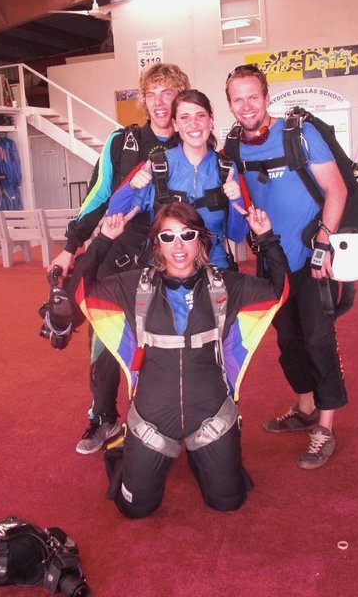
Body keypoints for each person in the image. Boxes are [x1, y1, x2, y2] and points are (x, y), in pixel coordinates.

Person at [74, 201, 288, 518]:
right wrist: (103, 240)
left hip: (211, 414)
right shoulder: (134, 286)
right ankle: (126, 455)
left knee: (228, 501)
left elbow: (279, 289)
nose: (178, 246)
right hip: (152, 418)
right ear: (156, 243)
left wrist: (266, 238)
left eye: (187, 235)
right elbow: (77, 289)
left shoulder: (225, 285)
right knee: (136, 509)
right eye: (168, 236)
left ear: (201, 240)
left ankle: (207, 457)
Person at [49, 63, 191, 455]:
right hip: (121, 251)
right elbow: (97, 198)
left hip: (175, 254)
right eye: (153, 93)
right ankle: (104, 415)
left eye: (169, 92)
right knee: (106, 340)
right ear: (143, 98)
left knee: (176, 341)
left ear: (180, 96)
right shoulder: (121, 141)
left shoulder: (194, 140)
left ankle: (179, 418)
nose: (161, 101)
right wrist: (70, 246)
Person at [224, 64, 348, 470]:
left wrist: (325, 242)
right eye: (237, 98)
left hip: (310, 255)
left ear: (266, 95)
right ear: (230, 104)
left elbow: (337, 188)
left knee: (317, 339)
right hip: (271, 260)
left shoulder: (298, 133)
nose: (246, 105)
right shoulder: (234, 147)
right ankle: (306, 407)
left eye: (252, 96)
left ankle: (325, 427)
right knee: (288, 342)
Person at [107, 89, 247, 268]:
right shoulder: (157, 166)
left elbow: (237, 234)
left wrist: (236, 199)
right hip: (164, 271)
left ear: (211, 121)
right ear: (175, 124)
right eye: (185, 117)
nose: (193, 124)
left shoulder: (225, 167)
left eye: (200, 116)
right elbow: (115, 215)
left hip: (213, 269)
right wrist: (131, 186)